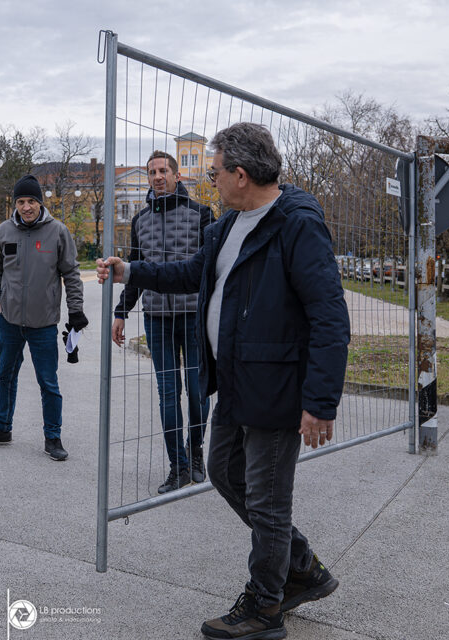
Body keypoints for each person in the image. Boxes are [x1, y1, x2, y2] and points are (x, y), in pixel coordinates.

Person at [97, 122, 349, 640]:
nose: (209, 182)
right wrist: (131, 272)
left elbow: (329, 316)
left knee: (268, 498)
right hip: (233, 382)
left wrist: (320, 402)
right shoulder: (226, 227)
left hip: (277, 387)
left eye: (214, 174)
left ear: (240, 174)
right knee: (223, 471)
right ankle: (302, 567)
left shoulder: (296, 226)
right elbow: (194, 272)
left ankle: (265, 607)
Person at [111, 150, 213, 493]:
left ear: (176, 175)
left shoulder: (201, 214)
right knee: (168, 393)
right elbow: (135, 270)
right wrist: (121, 312)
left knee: (199, 392)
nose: (157, 176)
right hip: (157, 318)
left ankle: (196, 450)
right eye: (152, 171)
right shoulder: (140, 221)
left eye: (163, 170)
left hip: (194, 316)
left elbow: (211, 270)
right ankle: (178, 467)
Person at [0, 175, 88, 461]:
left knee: (48, 382)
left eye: (31, 201)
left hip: (43, 323)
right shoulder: (4, 231)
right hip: (9, 321)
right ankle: (2, 427)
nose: (26, 207)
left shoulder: (58, 232)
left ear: (40, 202)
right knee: (5, 376)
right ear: (16, 204)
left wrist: (76, 311)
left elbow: (71, 273)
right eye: (21, 201)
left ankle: (53, 436)